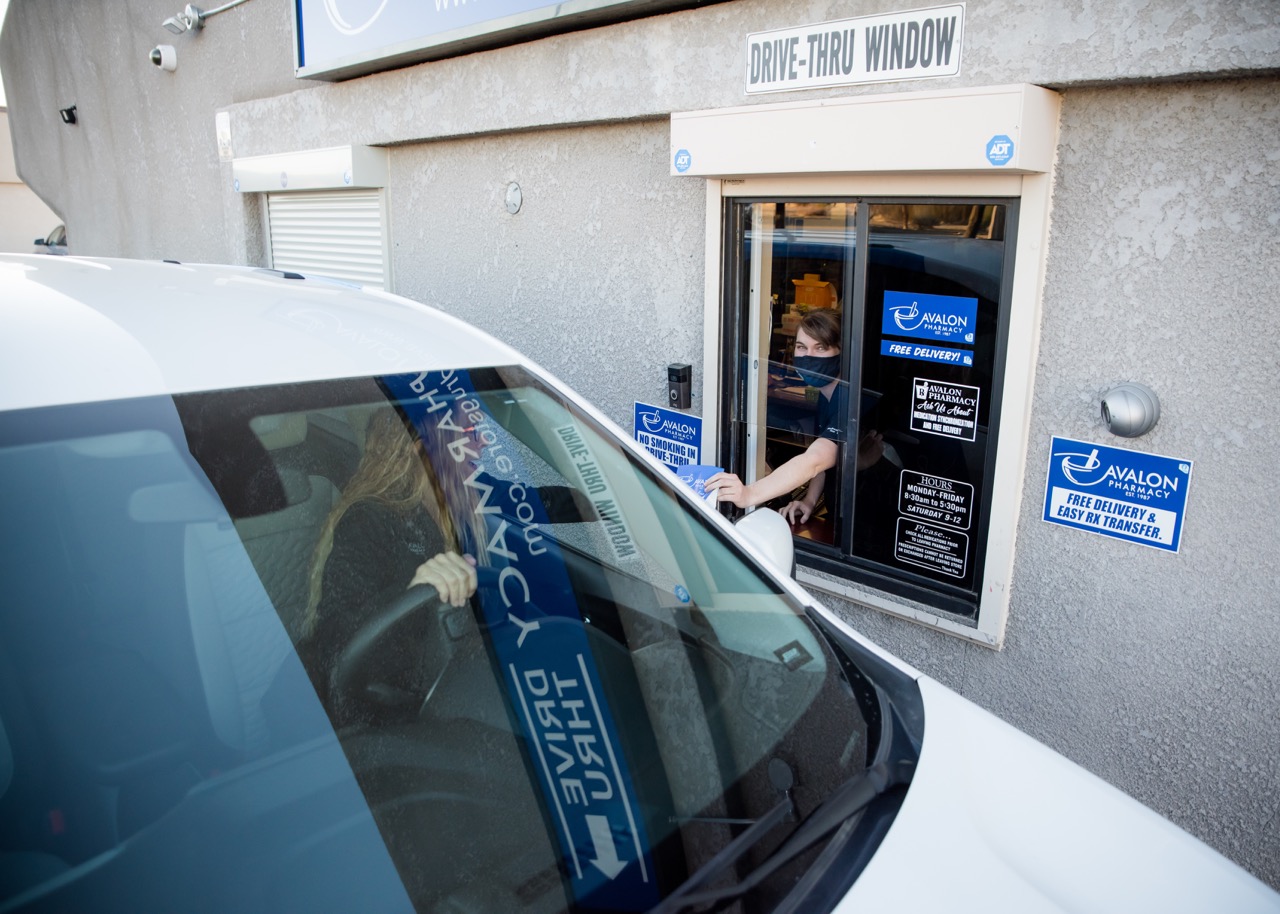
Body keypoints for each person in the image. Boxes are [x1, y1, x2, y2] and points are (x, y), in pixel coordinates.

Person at [297, 408, 480, 716]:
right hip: (395, 711)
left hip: (462, 685)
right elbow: (337, 642)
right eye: (467, 435)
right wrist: (414, 590)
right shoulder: (370, 519)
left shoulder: (474, 515)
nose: (481, 444)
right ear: (422, 450)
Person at [707, 309, 883, 523]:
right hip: (841, 509)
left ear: (841, 351)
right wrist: (809, 500)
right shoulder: (827, 394)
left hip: (870, 516)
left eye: (821, 347)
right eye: (801, 347)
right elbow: (823, 458)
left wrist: (749, 494)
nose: (808, 356)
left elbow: (815, 460)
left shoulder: (852, 400)